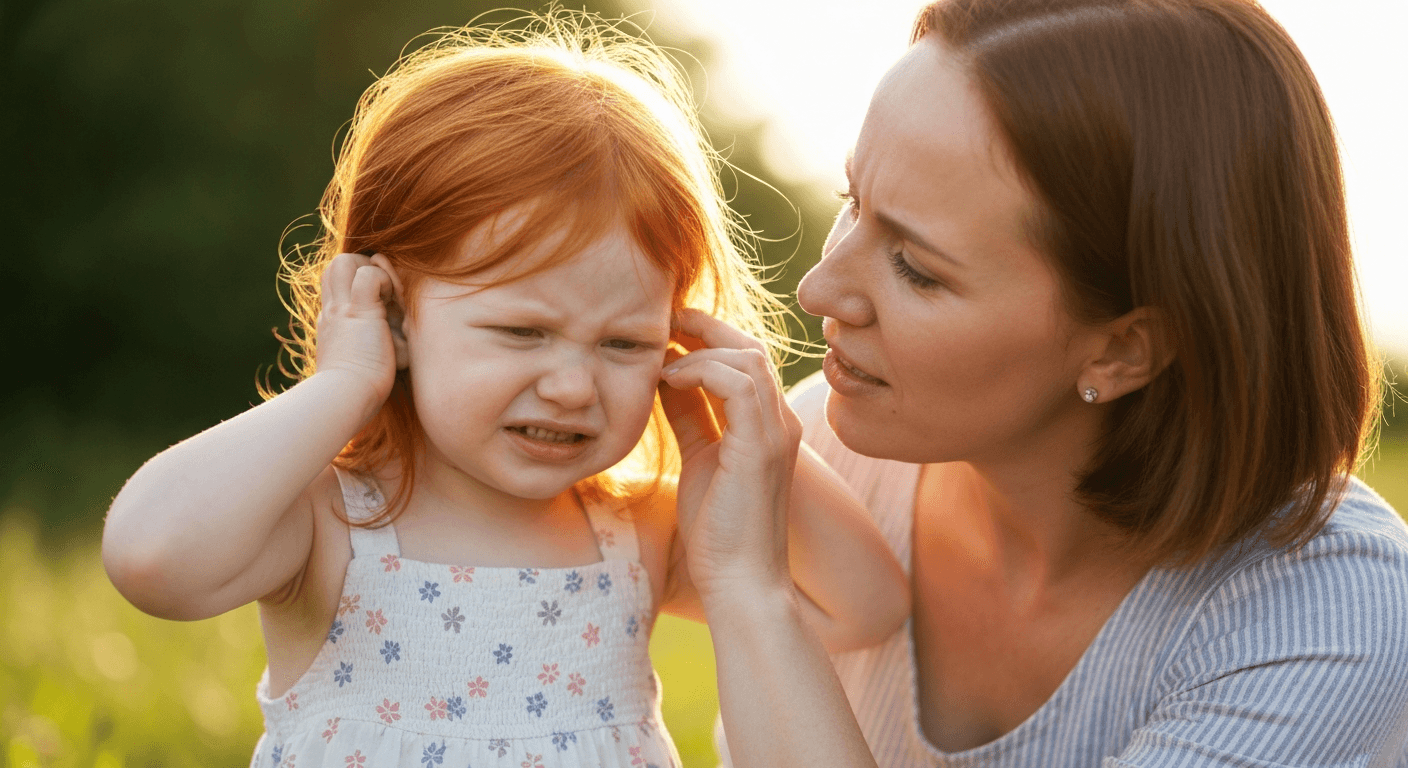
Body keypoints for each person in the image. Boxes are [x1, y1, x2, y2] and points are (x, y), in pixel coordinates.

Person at [99, 14, 909, 768]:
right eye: (523, 332)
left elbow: (867, 605)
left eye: (623, 342)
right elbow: (151, 560)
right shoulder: (331, 524)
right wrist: (345, 382)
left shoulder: (635, 532)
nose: (570, 386)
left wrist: (747, 440)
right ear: (394, 313)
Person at [687, 0, 1408, 765]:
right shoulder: (822, 460)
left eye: (916, 269)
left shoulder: (1326, 608)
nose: (819, 289)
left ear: (1124, 351)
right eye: (852, 203)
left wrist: (751, 594)